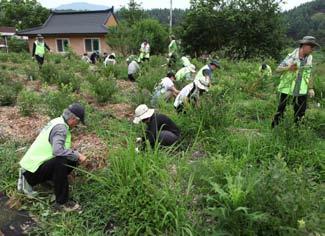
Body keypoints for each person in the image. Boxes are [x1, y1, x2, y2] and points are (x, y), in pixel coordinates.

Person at [17, 103, 87, 212]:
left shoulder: (57, 121)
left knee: (71, 159)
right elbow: (57, 151)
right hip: (31, 172)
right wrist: (77, 155)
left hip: (34, 167)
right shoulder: (61, 128)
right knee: (63, 160)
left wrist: (75, 156)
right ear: (73, 119)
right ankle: (62, 203)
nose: (76, 126)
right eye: (77, 123)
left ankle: (50, 179)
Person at [271, 36, 319, 128]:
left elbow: (309, 73)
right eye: (311, 47)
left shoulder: (309, 58)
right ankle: (274, 129)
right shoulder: (291, 57)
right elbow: (277, 69)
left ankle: (297, 130)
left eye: (313, 47)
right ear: (304, 45)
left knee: (301, 112)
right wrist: (288, 68)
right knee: (280, 110)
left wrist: (311, 88)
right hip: (287, 89)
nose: (312, 49)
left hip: (301, 90)